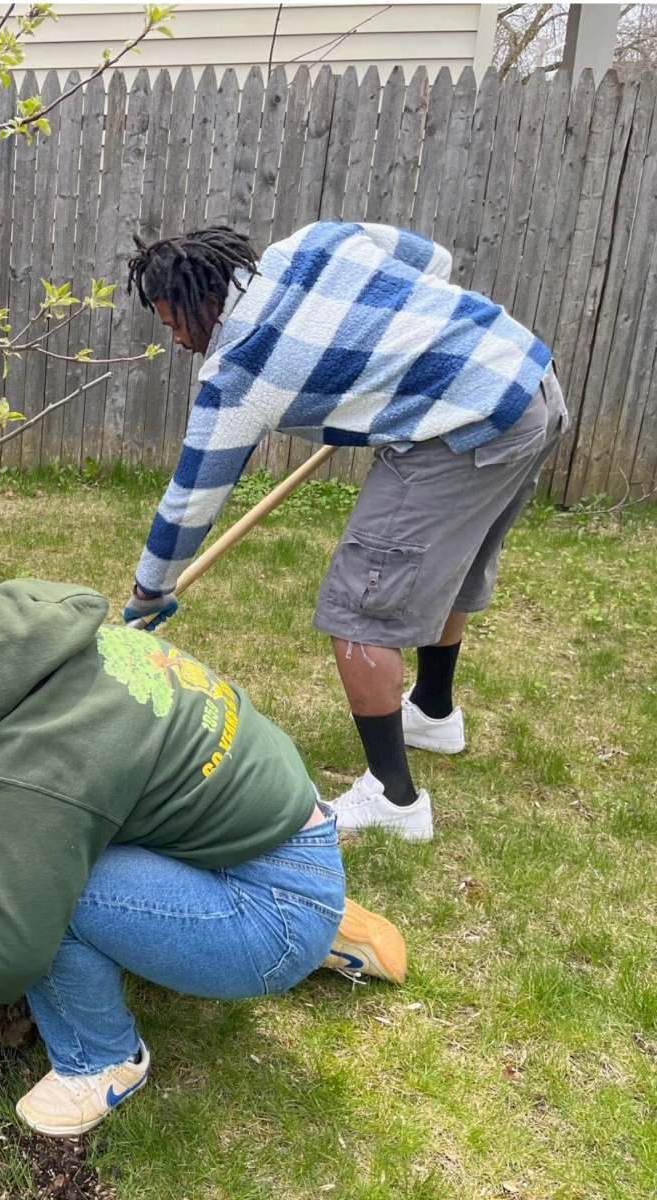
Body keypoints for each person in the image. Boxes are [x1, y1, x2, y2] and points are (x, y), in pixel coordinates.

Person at [0, 576, 407, 1138]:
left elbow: (18, 934)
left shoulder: (42, 760)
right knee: (50, 855)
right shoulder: (71, 650)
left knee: (53, 897)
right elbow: (5, 838)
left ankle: (100, 1060)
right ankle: (322, 918)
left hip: (271, 908)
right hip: (287, 840)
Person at [122, 222, 568, 841]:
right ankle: (433, 714)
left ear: (208, 302)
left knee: (359, 606)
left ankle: (394, 799)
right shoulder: (313, 243)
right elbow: (433, 259)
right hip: (527, 381)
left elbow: (189, 503)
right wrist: (395, 341)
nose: (175, 340)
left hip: (468, 421)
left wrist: (149, 592)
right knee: (452, 565)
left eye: (174, 322)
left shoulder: (240, 372)